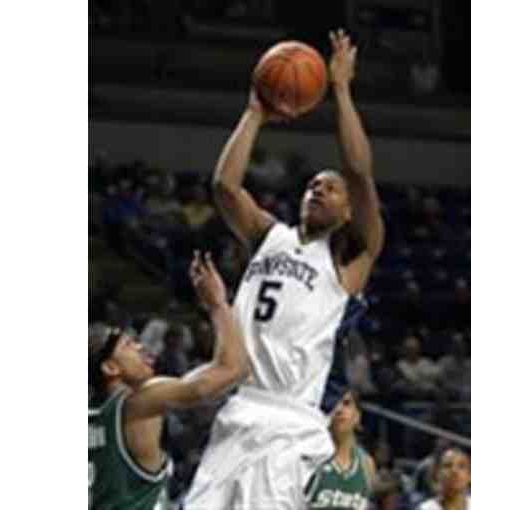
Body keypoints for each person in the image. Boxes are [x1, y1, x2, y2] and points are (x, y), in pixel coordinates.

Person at [182, 28, 385, 510]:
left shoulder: (350, 257)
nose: (318, 189)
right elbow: (225, 188)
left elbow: (359, 172)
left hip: (290, 420)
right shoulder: (270, 235)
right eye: (313, 184)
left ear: (350, 210)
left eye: (330, 188)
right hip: (239, 407)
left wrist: (340, 89)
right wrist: (254, 112)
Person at [88, 252, 249, 510]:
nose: (141, 347)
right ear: (110, 367)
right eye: (129, 345)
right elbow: (232, 369)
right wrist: (218, 304)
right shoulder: (138, 403)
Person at [307, 391, 375, 510]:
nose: (339, 409)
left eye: (346, 403)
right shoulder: (312, 457)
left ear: (357, 416)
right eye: (333, 404)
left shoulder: (366, 463)